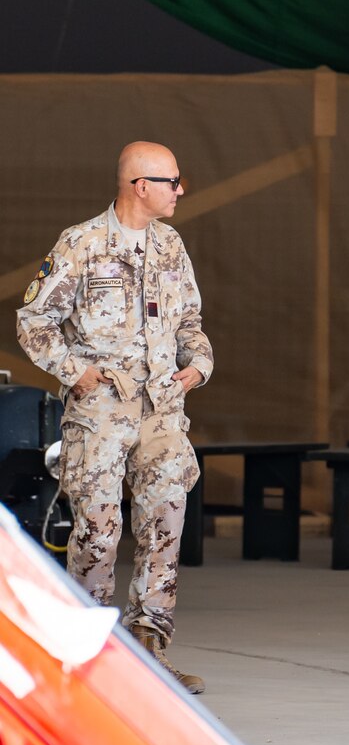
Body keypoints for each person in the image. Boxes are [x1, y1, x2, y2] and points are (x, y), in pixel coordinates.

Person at [18, 143, 212, 693]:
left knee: (163, 530)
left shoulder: (171, 245)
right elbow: (35, 322)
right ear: (139, 186)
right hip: (101, 414)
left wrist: (197, 364)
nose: (180, 189)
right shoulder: (80, 244)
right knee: (99, 533)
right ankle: (86, 663)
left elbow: (191, 321)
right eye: (172, 180)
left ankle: (149, 653)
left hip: (162, 414)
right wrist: (74, 371)